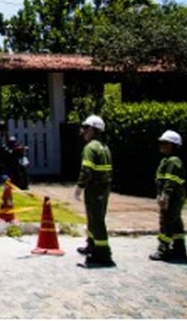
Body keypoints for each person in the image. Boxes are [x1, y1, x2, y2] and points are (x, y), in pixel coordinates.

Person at [74, 114, 115, 267]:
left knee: (97, 221)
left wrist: (79, 187)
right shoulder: (104, 147)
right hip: (104, 188)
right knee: (94, 218)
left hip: (94, 189)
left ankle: (103, 254)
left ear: (92, 129)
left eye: (85, 128)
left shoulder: (90, 147)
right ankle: (92, 244)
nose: (82, 131)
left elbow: (86, 170)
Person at [150, 130, 187, 264]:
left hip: (172, 198)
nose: (161, 145)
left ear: (173, 145)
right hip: (174, 197)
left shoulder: (173, 161)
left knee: (166, 223)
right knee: (176, 224)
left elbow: (170, 181)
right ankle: (180, 250)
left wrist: (165, 197)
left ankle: (163, 250)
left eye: (164, 143)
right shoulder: (168, 160)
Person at [0, 120, 29, 189]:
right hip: (7, 155)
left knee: (7, 163)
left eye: (3, 127)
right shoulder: (0, 137)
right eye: (1, 127)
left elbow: (10, 142)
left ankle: (12, 179)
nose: (2, 129)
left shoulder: (8, 138)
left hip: (10, 156)